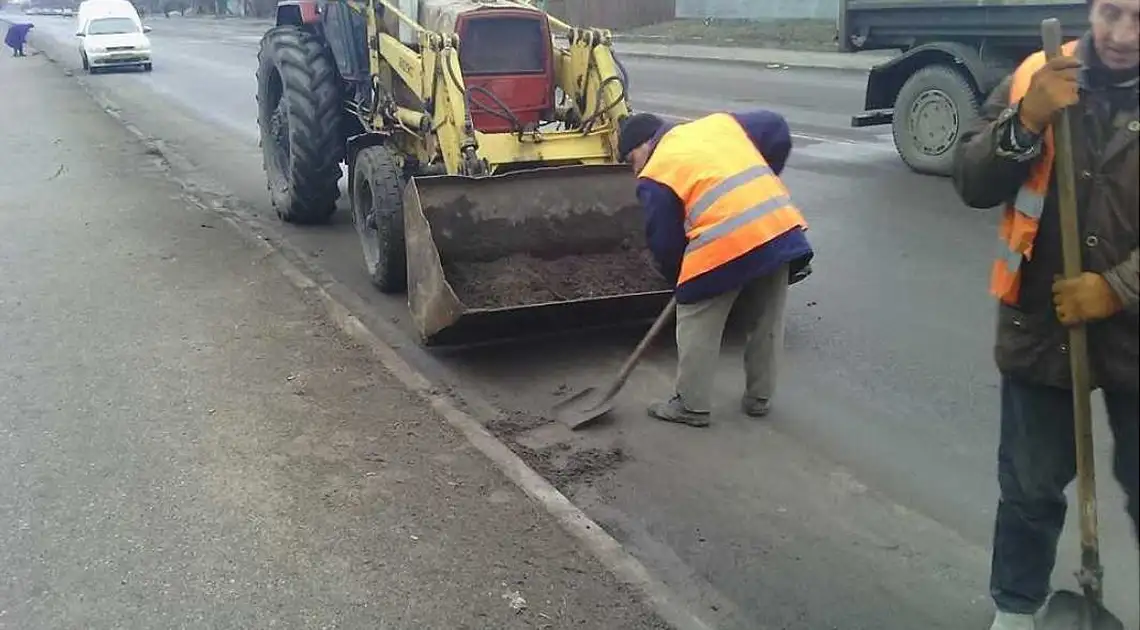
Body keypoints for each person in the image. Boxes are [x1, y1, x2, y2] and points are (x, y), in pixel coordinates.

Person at [951, 0, 1139, 628]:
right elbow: (973, 181)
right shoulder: (1038, 70)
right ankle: (1015, 612)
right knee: (1030, 490)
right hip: (1042, 324)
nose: (1121, 34)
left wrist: (1117, 287)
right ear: (1092, 8)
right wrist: (1026, 117)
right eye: (1112, 12)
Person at [617, 110, 814, 428]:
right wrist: (763, 182)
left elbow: (665, 242)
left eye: (630, 159)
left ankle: (691, 405)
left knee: (696, 319)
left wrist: (680, 284)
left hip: (726, 242)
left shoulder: (656, 171)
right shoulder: (717, 125)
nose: (634, 168)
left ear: (644, 144)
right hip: (778, 227)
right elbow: (776, 127)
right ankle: (759, 398)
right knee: (767, 320)